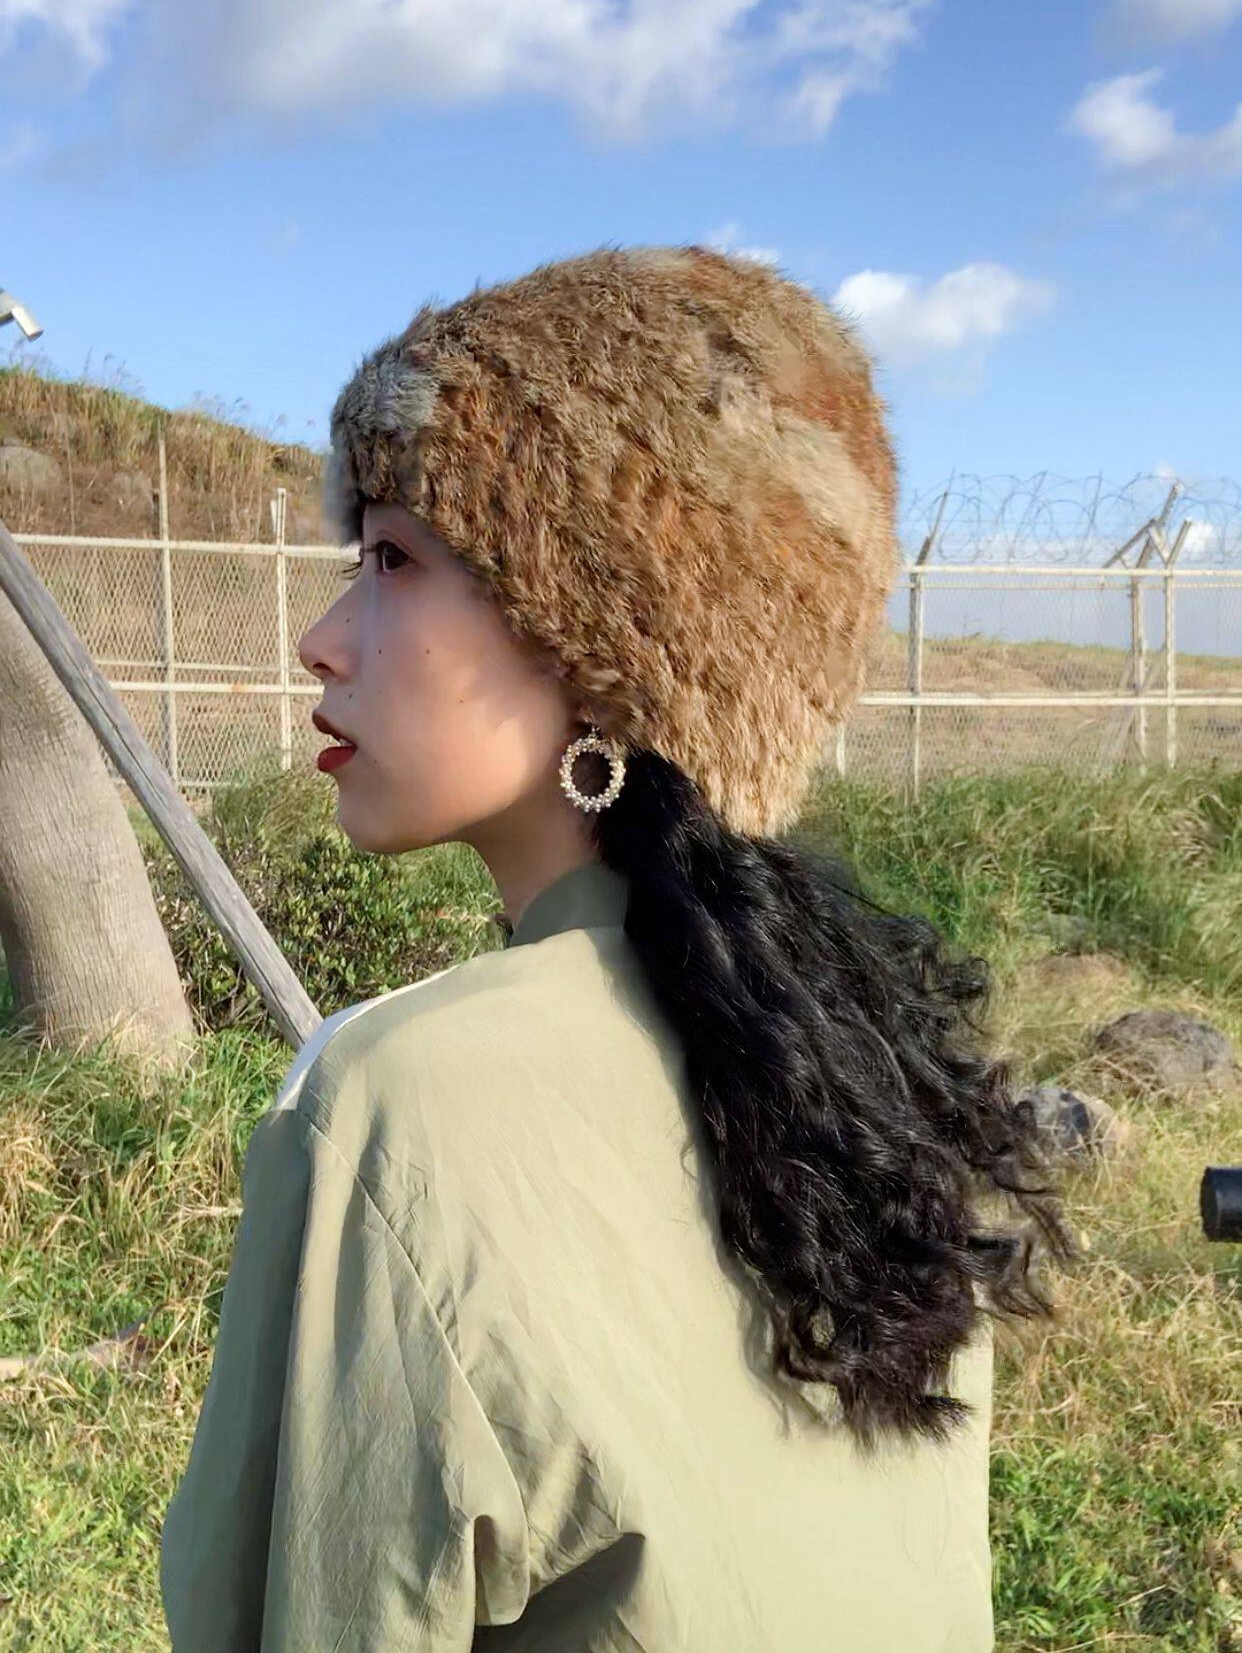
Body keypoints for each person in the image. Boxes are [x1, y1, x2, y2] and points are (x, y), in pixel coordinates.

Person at [159, 243, 1078, 1650]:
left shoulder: (403, 1103)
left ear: (601, 632)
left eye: (393, 560)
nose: (320, 639)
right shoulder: (875, 1064)